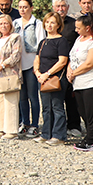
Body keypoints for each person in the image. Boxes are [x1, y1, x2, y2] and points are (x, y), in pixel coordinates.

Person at [66, 13, 93, 152]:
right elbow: (72, 57)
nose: (76, 30)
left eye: (79, 28)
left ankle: (91, 140)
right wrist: (69, 70)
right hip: (79, 83)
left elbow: (89, 63)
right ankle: (90, 136)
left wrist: (73, 73)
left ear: (88, 28)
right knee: (83, 112)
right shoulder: (79, 39)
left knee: (92, 114)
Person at [34, 12, 69, 145]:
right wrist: (37, 73)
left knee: (57, 107)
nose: (49, 25)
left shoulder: (61, 41)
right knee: (46, 108)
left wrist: (47, 74)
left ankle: (59, 136)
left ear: (58, 25)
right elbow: (37, 59)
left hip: (56, 79)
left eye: (52, 22)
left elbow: (62, 61)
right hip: (42, 79)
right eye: (47, 22)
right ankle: (46, 134)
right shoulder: (43, 42)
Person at [0, 14, 21, 139]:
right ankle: (1, 129)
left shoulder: (15, 37)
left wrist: (2, 66)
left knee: (10, 103)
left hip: (9, 74)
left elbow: (15, 55)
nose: (3, 26)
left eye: (6, 23)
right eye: (0, 24)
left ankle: (11, 131)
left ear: (10, 24)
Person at [13, 0, 43, 137]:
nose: (22, 10)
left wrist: (38, 65)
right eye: (20, 7)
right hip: (18, 65)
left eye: (25, 7)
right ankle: (24, 123)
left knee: (33, 96)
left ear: (31, 8)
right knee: (22, 97)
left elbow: (41, 45)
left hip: (31, 65)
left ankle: (35, 125)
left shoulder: (37, 24)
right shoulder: (15, 23)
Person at [52, 0, 82, 138]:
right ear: (53, 8)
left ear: (68, 7)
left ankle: (74, 125)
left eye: (63, 6)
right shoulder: (49, 22)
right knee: (54, 99)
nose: (61, 9)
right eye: (58, 6)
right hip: (53, 66)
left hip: (70, 66)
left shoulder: (73, 24)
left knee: (71, 98)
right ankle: (56, 127)